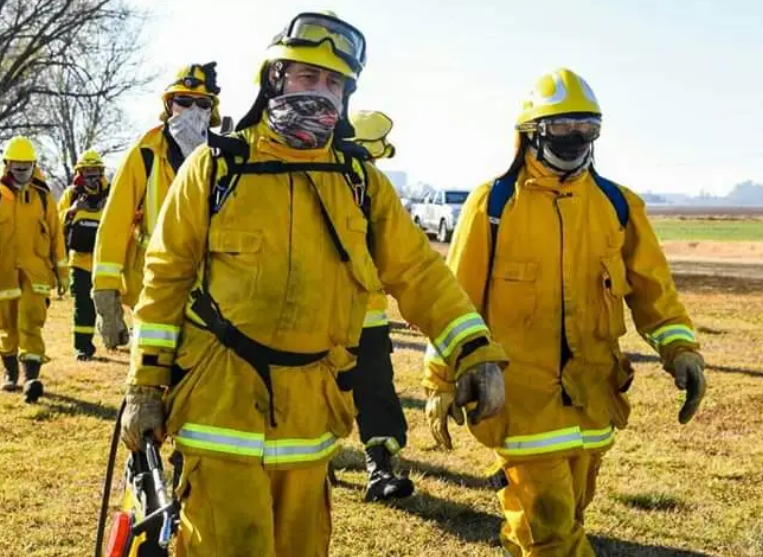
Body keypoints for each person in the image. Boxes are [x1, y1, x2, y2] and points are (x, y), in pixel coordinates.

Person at [119, 11, 509, 557]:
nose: (321, 93)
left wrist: (473, 349)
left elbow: (418, 271)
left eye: (334, 83)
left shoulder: (359, 180)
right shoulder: (215, 170)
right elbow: (165, 280)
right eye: (307, 76)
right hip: (219, 410)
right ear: (274, 79)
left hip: (310, 419)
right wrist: (144, 387)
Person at [424, 68, 706, 557]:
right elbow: (455, 300)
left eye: (587, 128)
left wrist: (681, 349)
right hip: (521, 402)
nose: (576, 139)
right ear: (531, 133)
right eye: (562, 127)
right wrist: (440, 380)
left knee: (563, 519)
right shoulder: (492, 205)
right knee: (553, 533)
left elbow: (653, 291)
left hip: (593, 399)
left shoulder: (618, 206)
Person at [91, 63, 222, 350]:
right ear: (169, 105)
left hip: (211, 286)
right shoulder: (146, 153)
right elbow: (114, 223)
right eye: (183, 101)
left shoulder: (223, 156)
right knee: (151, 363)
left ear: (211, 111)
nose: (192, 110)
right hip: (152, 283)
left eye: (202, 104)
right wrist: (105, 293)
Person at [335, 109, 412, 501]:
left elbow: (402, 258)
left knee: (377, 395)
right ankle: (313, 468)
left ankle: (380, 469)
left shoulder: (374, 189)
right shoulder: (314, 185)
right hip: (321, 320)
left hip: (368, 319)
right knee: (311, 395)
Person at [0, 136, 68, 402]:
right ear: (7, 165)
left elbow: (57, 239)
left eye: (26, 165)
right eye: (17, 165)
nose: (22, 170)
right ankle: (10, 374)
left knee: (30, 323)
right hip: (4, 273)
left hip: (36, 274)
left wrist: (63, 274)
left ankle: (31, 378)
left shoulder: (44, 199)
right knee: (8, 326)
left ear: (34, 165)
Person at [58, 150, 110, 360]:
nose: (92, 176)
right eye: (87, 171)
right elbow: (55, 222)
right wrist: (72, 210)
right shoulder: (71, 194)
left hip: (105, 262)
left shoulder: (110, 194)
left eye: (95, 171)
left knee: (107, 304)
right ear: (80, 173)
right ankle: (83, 347)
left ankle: (112, 337)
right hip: (79, 262)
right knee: (83, 306)